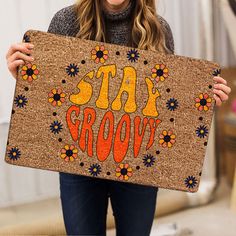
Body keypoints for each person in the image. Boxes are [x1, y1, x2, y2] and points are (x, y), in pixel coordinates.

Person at [5, 0, 232, 235]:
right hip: (78, 162)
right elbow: (52, 93)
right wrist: (24, 77)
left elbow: (166, 106)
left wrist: (202, 101)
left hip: (138, 166)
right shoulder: (67, 21)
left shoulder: (157, 29)